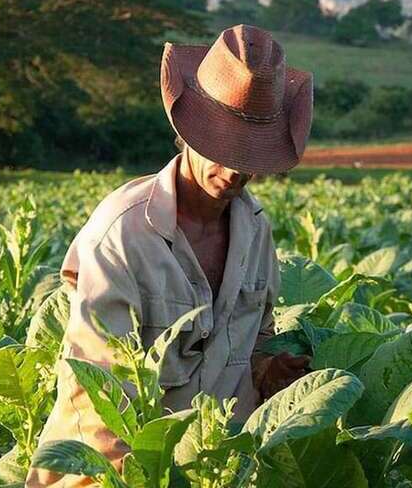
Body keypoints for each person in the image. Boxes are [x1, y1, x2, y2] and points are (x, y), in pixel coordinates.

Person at [26, 24, 314, 487]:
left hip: (215, 471)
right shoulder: (122, 235)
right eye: (223, 148)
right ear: (190, 134)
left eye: (249, 153)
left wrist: (266, 365)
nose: (236, 170)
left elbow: (256, 333)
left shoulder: (255, 230)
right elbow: (100, 393)